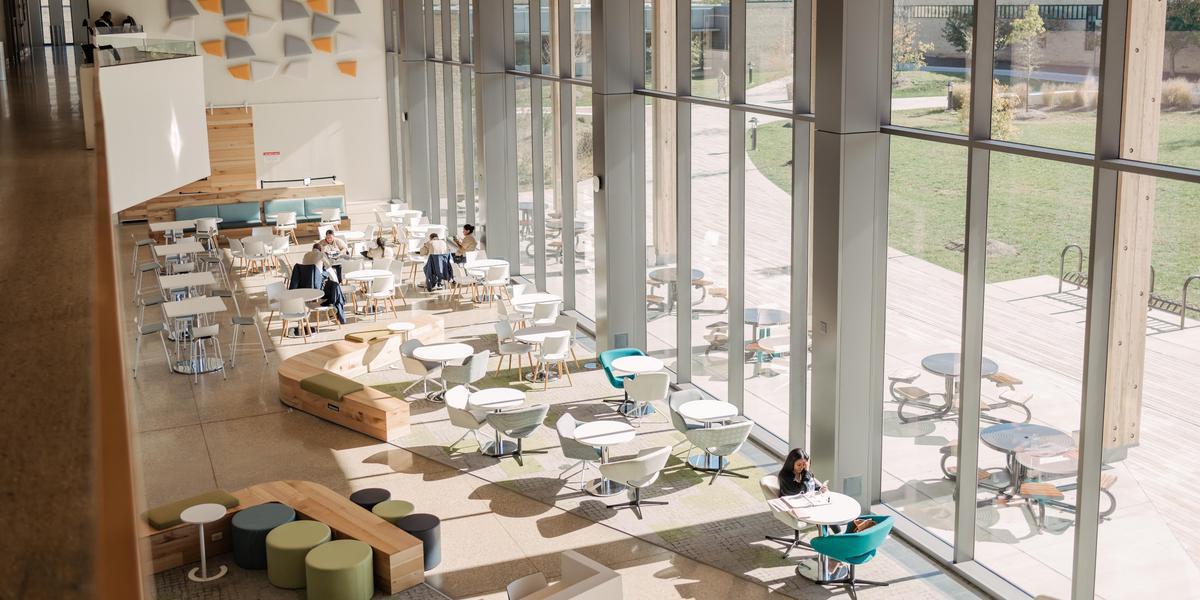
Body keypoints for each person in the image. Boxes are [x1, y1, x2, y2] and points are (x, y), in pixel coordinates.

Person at [777, 448, 841, 534]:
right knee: (821, 512)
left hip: (807, 503)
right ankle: (827, 539)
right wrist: (806, 472)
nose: (802, 467)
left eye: (804, 464)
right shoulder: (784, 476)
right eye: (799, 465)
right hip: (793, 508)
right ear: (791, 463)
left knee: (827, 508)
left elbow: (813, 485)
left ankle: (839, 534)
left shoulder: (804, 473)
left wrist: (820, 488)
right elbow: (800, 489)